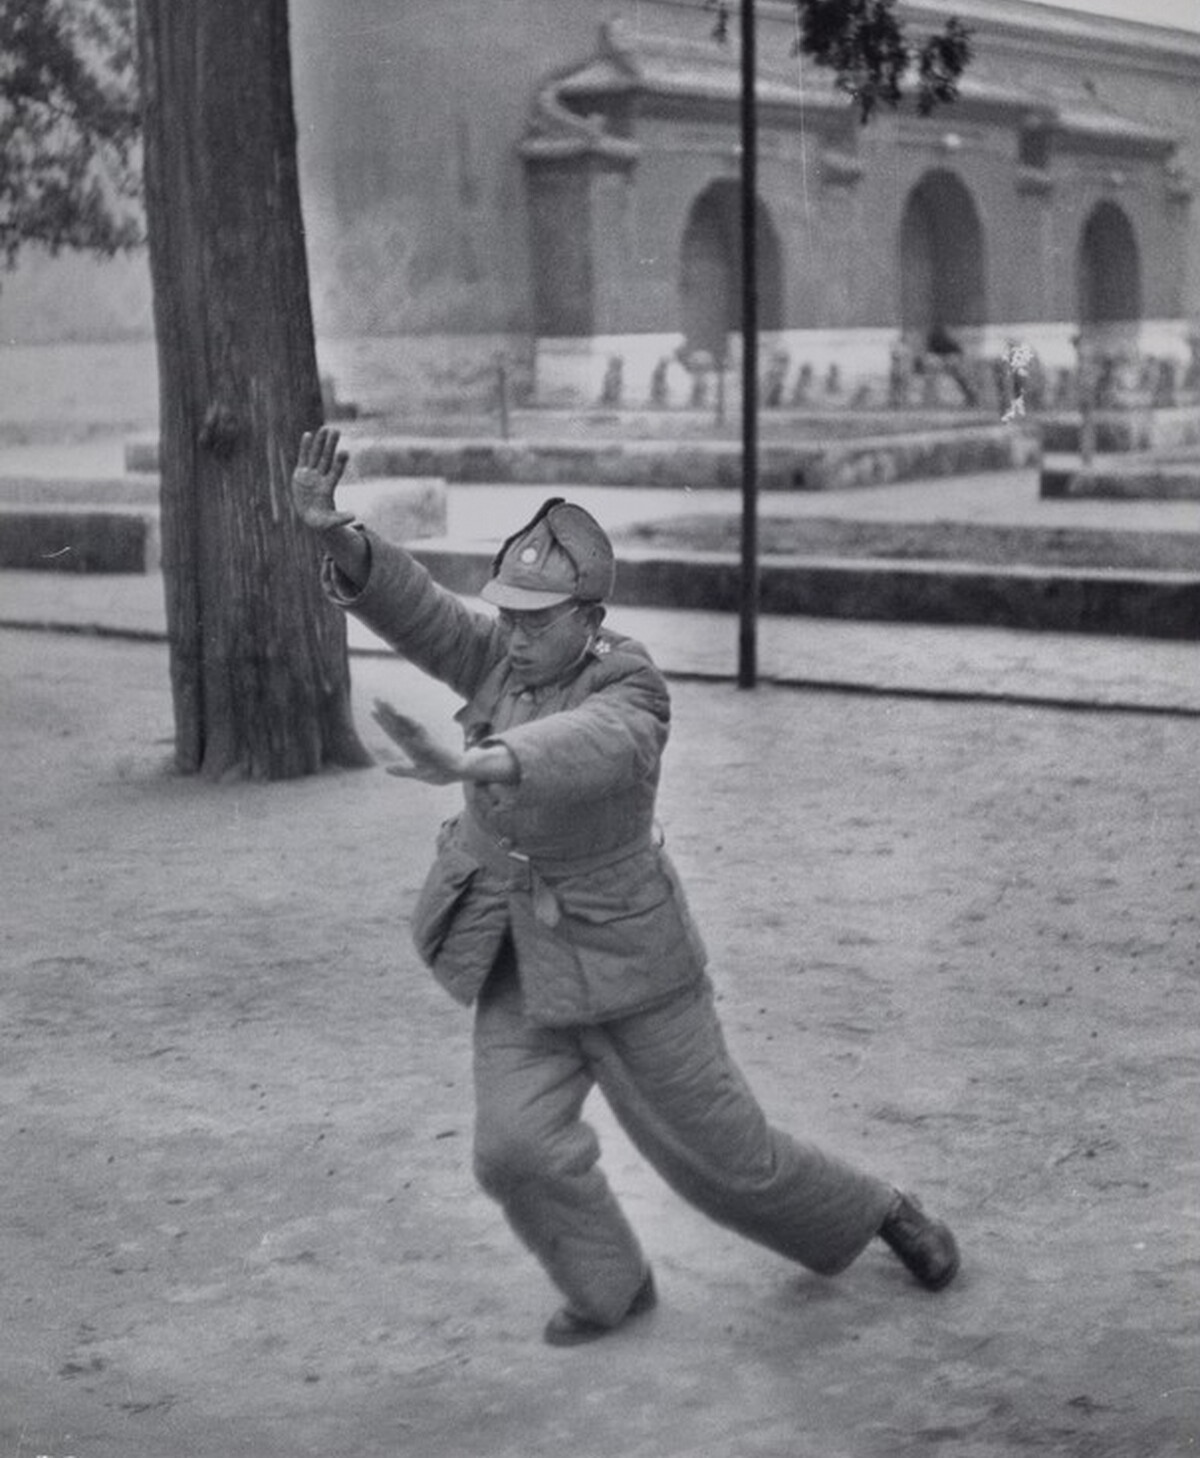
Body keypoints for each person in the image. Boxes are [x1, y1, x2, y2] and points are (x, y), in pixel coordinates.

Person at [291, 426, 961, 1346]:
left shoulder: (634, 687)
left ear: (588, 617)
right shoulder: (502, 653)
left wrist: (478, 760)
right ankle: (611, 1287)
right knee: (512, 1150)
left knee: (729, 1163)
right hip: (519, 957)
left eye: (537, 618)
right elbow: (421, 609)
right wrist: (336, 533)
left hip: (632, 963)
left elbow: (588, 747)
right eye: (510, 613)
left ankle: (882, 1209)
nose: (515, 633)